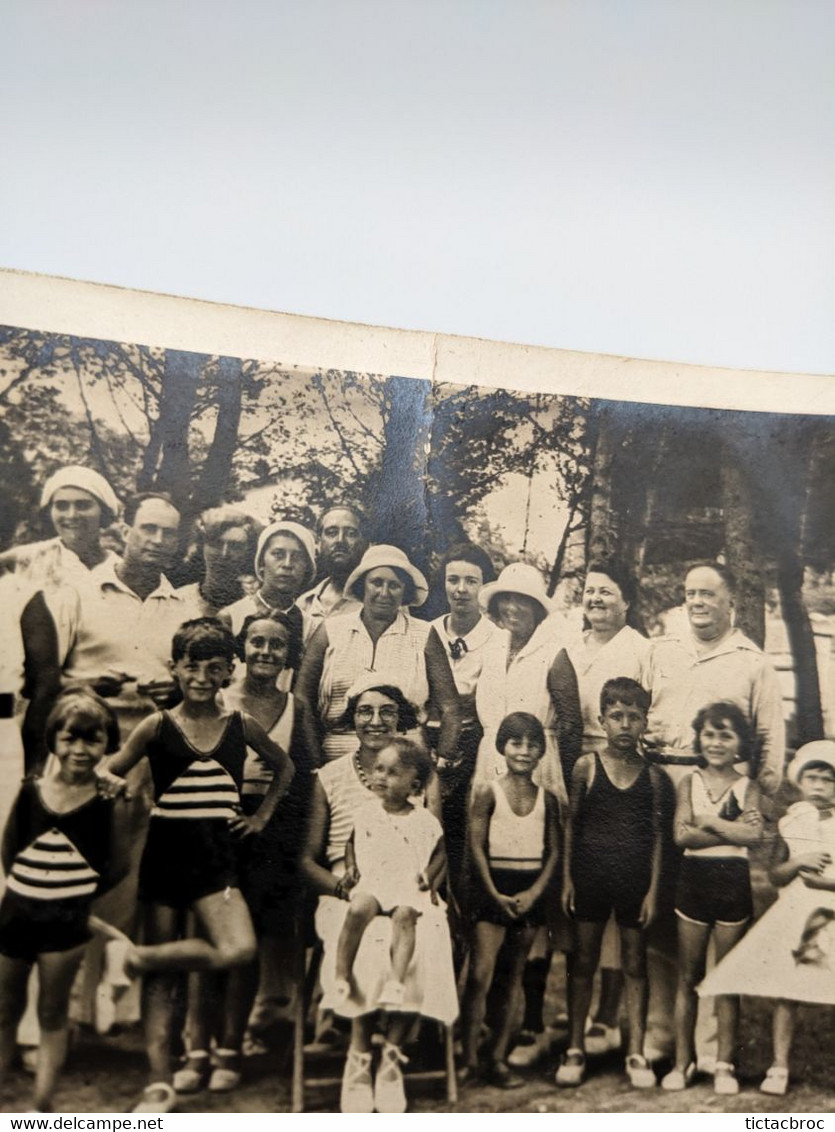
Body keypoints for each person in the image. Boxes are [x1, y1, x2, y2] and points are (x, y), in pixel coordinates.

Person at [94, 618, 295, 1114]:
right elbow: (106, 769)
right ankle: (159, 1082)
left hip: (218, 857)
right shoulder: (157, 725)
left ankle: (137, 959)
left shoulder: (239, 724)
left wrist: (261, 816)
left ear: (229, 671)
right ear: (175, 669)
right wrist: (112, 784)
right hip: (167, 852)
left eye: (213, 668)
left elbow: (284, 768)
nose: (202, 677)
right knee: (166, 986)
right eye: (191, 667)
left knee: (239, 949)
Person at [642, 560, 785, 1062]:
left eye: (707, 594)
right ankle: (663, 1032)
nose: (697, 603)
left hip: (726, 792)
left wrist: (756, 811)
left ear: (731, 603)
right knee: (663, 907)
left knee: (719, 904)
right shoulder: (664, 651)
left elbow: (769, 742)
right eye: (690, 594)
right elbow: (644, 713)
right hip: (663, 785)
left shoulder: (752, 661)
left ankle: (709, 1045)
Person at [173, 612, 317, 1094]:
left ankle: (231, 1047)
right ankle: (197, 1049)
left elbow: (298, 769)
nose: (265, 652)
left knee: (246, 940)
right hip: (210, 825)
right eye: (256, 642)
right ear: (240, 650)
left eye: (276, 645)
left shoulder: (295, 705)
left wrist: (262, 818)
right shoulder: (214, 699)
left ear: (287, 656)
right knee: (204, 939)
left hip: (266, 836)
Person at [300, 675, 456, 1114]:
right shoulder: (329, 777)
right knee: (368, 938)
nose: (375, 720)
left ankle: (391, 1056)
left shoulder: (420, 777)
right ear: (353, 720)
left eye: (387, 712)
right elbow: (307, 860)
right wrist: (341, 886)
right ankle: (358, 1053)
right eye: (365, 711)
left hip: (409, 882)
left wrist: (430, 884)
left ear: (401, 720)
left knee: (425, 934)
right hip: (349, 884)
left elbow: (437, 847)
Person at [542, 559, 652, 1061]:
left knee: (624, 925)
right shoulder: (570, 646)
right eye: (589, 591)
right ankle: (578, 1019)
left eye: (608, 592)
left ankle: (609, 1017)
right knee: (583, 901)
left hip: (625, 767)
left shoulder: (640, 650)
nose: (597, 600)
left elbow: (650, 708)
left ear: (626, 601)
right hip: (578, 762)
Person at [0, 690, 130, 1113]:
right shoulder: (31, 790)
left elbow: (118, 865)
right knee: (3, 1010)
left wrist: (74, 898)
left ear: (107, 743)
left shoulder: (107, 799)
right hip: (15, 915)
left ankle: (42, 1105)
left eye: (92, 740)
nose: (80, 750)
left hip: (66, 924)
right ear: (53, 740)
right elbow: (9, 853)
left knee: (53, 1013)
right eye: (70, 738)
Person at [698, 741, 835, 1097]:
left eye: (828, 780)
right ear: (801, 782)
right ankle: (779, 1065)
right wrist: (799, 863)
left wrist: (826, 881)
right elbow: (775, 873)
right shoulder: (793, 820)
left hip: (832, 910)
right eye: (813, 778)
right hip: (797, 911)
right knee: (785, 989)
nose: (819, 786)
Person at [557, 677, 664, 1090]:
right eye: (616, 716)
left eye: (633, 717)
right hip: (589, 877)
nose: (624, 725)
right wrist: (567, 878)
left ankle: (636, 1051)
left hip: (634, 882)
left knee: (635, 965)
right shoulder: (587, 766)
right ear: (601, 720)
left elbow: (656, 836)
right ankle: (575, 1046)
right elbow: (570, 825)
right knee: (582, 962)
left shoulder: (652, 777)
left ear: (644, 723)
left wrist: (653, 890)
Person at [661, 703, 763, 1096]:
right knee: (689, 977)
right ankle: (682, 1062)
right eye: (709, 734)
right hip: (694, 882)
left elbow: (753, 838)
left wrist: (707, 822)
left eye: (726, 735)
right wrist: (729, 828)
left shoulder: (747, 786)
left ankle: (723, 1063)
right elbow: (681, 836)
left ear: (740, 742)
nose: (716, 743)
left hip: (733, 884)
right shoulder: (689, 781)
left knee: (727, 978)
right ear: (698, 738)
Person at [458, 712, 561, 1089]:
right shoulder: (488, 791)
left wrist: (534, 893)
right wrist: (492, 893)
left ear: (542, 752)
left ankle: (497, 1058)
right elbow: (476, 847)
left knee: (514, 975)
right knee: (481, 975)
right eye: (516, 743)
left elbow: (553, 853)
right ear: (502, 746)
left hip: (528, 890)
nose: (524, 751)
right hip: (493, 889)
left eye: (533, 744)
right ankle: (468, 1057)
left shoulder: (547, 798)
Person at [296, 544, 461, 765]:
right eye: (376, 583)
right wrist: (316, 763)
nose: (384, 593)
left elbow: (450, 707)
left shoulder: (423, 634)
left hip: (406, 761)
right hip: (337, 759)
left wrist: (442, 759)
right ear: (362, 586)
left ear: (405, 591)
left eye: (394, 585)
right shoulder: (330, 630)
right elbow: (302, 699)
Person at [334, 737, 445, 1009]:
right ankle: (341, 974)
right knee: (358, 908)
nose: (381, 777)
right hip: (374, 882)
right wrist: (351, 868)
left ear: (414, 786)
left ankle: (396, 981)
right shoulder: (365, 813)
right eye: (379, 769)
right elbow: (351, 843)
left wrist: (428, 876)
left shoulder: (423, 820)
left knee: (405, 916)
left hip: (405, 884)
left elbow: (440, 852)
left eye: (393, 772)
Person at [426, 542, 501, 902]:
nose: (460, 589)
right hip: (428, 746)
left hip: (476, 749)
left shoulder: (498, 640)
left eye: (471, 581)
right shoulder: (426, 633)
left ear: (484, 587)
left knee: (466, 841)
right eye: (453, 579)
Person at [474, 562, 567, 801]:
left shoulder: (554, 654)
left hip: (537, 763)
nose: (511, 608)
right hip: (490, 760)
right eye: (506, 599)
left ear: (537, 608)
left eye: (522, 600)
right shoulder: (491, 649)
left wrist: (556, 769)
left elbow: (572, 724)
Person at [219, 519, 316, 691]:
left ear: (307, 568)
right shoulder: (231, 617)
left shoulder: (310, 626)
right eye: (278, 554)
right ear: (262, 563)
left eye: (297, 557)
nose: (287, 564)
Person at [297, 504, 368, 643]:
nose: (340, 540)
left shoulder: (382, 600)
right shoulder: (306, 603)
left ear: (366, 543)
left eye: (351, 533)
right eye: (331, 532)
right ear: (319, 543)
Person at [177, 506, 261, 617]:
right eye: (216, 544)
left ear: (248, 553)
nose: (224, 554)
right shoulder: (178, 601)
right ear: (202, 547)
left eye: (235, 546)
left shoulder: (257, 607)